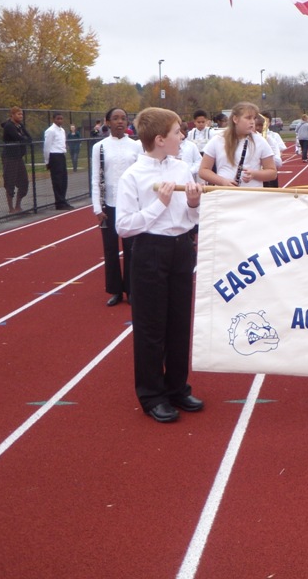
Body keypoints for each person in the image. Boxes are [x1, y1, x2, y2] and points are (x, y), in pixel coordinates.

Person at [115, 107, 204, 424]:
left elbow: (189, 217)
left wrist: (193, 204)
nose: (183, 136)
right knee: (152, 328)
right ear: (159, 139)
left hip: (181, 249)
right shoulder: (133, 176)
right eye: (178, 132)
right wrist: (159, 205)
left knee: (179, 323)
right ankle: (152, 395)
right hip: (150, 251)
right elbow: (124, 226)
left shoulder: (181, 169)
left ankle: (177, 387)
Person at [91, 107, 142, 306]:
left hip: (130, 204)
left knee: (131, 249)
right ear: (107, 122)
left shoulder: (136, 146)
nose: (120, 122)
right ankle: (115, 291)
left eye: (123, 118)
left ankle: (131, 290)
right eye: (115, 118)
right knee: (111, 249)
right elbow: (96, 178)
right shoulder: (100, 147)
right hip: (109, 204)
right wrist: (97, 208)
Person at [198, 101, 277, 188]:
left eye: (254, 118)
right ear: (235, 119)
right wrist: (223, 181)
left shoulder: (260, 141)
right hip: (225, 194)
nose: (252, 122)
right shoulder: (218, 139)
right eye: (248, 118)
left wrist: (254, 174)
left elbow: (272, 173)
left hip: (252, 196)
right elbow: (203, 171)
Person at [1, 106, 32, 213]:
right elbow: (19, 138)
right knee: (10, 182)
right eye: (18, 114)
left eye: (22, 114)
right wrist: (23, 138)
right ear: (12, 115)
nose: (21, 116)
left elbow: (29, 138)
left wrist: (24, 138)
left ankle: (18, 205)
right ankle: (11, 208)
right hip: (9, 157)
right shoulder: (9, 126)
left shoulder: (20, 125)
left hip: (19, 157)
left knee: (24, 182)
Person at [44, 112, 73, 210]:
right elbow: (47, 146)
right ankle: (59, 202)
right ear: (54, 119)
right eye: (58, 119)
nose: (60, 120)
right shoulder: (50, 131)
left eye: (61, 119)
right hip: (54, 155)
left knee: (64, 179)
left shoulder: (62, 130)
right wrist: (47, 161)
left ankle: (63, 200)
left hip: (61, 155)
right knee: (57, 180)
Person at [259, 111, 286, 188]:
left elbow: (280, 154)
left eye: (266, 121)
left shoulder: (274, 136)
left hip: (270, 170)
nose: (264, 124)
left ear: (269, 123)